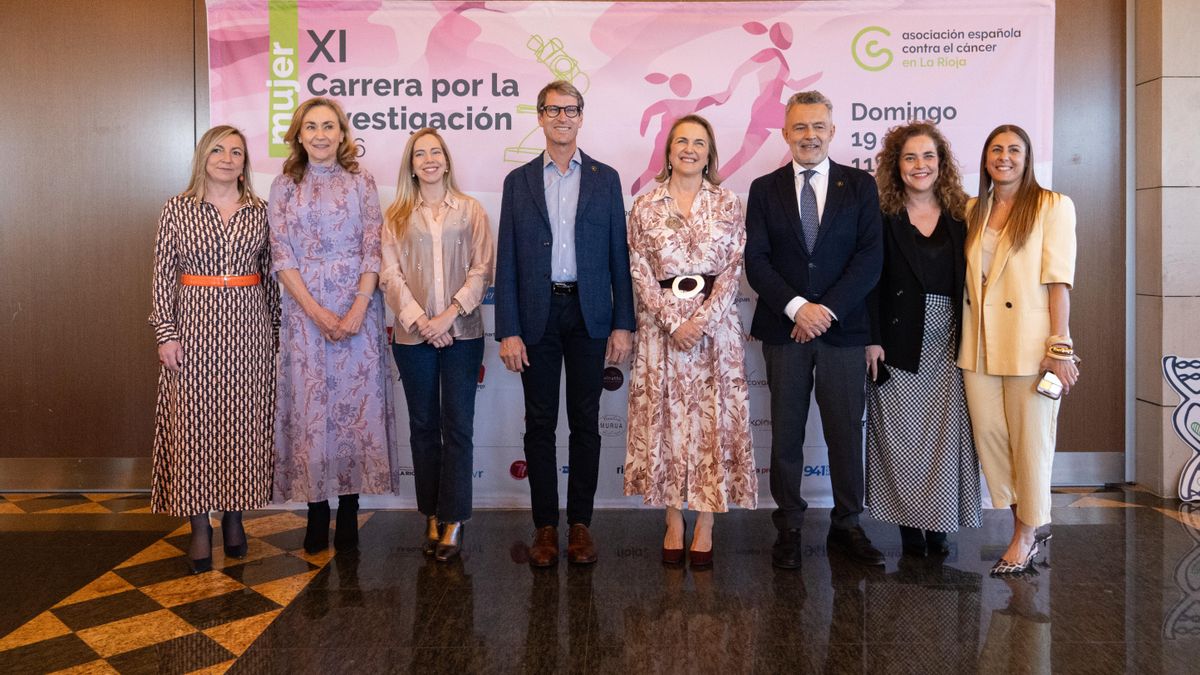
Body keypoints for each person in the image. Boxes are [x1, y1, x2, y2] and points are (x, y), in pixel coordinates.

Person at [495, 80, 636, 567]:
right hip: (536, 317)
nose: (561, 117)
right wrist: (507, 328)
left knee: (586, 423)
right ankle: (545, 528)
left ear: (581, 116)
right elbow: (507, 262)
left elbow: (620, 253)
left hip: (589, 313)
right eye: (552, 110)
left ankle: (579, 524)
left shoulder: (606, 178)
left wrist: (623, 322)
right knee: (538, 424)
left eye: (570, 109)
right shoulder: (518, 183)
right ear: (539, 117)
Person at [744, 90, 884, 569]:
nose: (809, 135)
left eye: (818, 126)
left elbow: (870, 260)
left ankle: (848, 524)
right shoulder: (764, 189)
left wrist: (824, 311)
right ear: (785, 133)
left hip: (843, 332)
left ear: (832, 131)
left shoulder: (860, 186)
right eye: (799, 127)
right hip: (786, 331)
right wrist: (798, 308)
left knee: (846, 431)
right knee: (785, 433)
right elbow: (756, 260)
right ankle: (789, 527)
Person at [623, 114, 757, 567]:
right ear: (669, 150)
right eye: (682, 141)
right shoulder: (644, 205)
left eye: (699, 143)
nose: (690, 149)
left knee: (709, 425)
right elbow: (639, 270)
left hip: (715, 333)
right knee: (666, 423)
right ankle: (673, 516)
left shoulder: (728, 202)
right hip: (663, 334)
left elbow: (735, 267)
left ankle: (706, 519)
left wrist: (701, 320)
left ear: (709, 152)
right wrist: (671, 321)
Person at [268, 97, 398, 554]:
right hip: (305, 316)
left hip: (358, 310)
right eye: (311, 127)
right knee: (311, 411)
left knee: (352, 410)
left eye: (329, 126)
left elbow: (372, 247)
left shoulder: (362, 181)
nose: (320, 134)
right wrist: (316, 311)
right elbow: (281, 255)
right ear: (298, 135)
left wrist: (359, 306)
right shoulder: (284, 185)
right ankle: (316, 508)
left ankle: (348, 505)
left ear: (343, 134)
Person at [149, 125, 279, 573]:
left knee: (242, 426)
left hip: (248, 329)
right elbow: (162, 276)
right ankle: (199, 525)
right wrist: (166, 333)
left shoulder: (261, 212)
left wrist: (276, 339)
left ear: (246, 163)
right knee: (194, 427)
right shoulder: (177, 209)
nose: (227, 158)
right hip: (193, 330)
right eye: (219, 150)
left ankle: (236, 517)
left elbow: (274, 279)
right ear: (203, 156)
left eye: (237, 152)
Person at [959, 124, 1078, 575]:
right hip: (980, 346)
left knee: (1031, 443)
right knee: (992, 441)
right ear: (986, 158)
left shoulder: (1052, 206)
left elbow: (1058, 281)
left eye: (1013, 150)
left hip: (1030, 347)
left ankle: (1025, 534)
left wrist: (1059, 345)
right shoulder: (974, 209)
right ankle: (1024, 524)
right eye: (996, 149)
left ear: (1027, 159)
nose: (1004, 157)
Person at [864, 122, 982, 557]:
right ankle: (910, 527)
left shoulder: (962, 215)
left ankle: (940, 525)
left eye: (928, 156)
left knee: (945, 438)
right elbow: (869, 283)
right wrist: (871, 339)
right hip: (898, 342)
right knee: (902, 440)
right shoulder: (881, 217)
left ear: (941, 163)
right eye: (910, 157)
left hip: (951, 340)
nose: (920, 165)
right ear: (897, 166)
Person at [380, 128, 494, 562]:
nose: (428, 160)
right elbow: (390, 277)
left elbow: (482, 269)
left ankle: (455, 518)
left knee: (458, 428)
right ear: (411, 165)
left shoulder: (471, 211)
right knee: (424, 428)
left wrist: (448, 317)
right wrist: (423, 322)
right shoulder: (394, 216)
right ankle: (430, 512)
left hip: (463, 336)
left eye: (435, 153)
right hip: (412, 338)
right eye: (419, 154)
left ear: (446, 161)